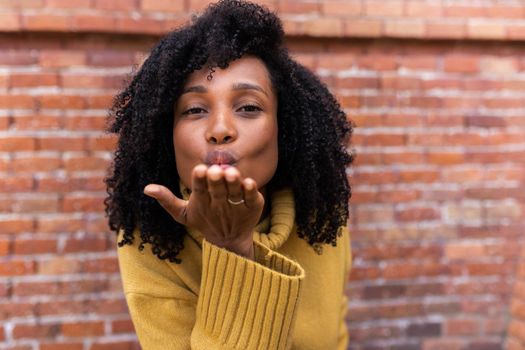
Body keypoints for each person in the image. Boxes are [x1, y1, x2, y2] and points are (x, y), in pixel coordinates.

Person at [104, 0, 355, 349]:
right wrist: (230, 248)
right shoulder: (149, 236)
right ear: (166, 133)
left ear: (284, 128)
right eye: (194, 109)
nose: (220, 129)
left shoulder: (322, 217)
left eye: (249, 107)